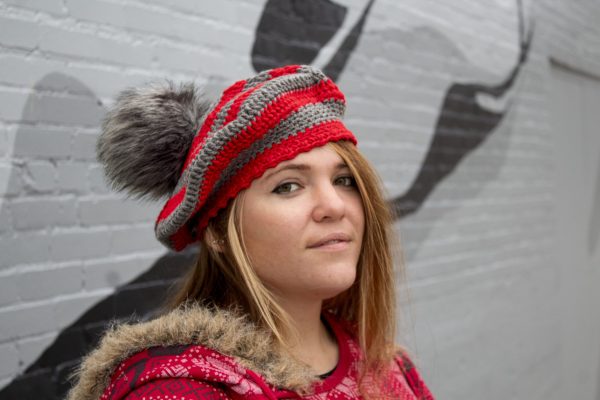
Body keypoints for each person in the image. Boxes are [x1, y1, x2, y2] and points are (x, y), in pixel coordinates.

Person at [66, 65, 434, 400]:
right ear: (217, 233)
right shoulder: (181, 390)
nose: (335, 205)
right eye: (288, 186)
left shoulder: (387, 365)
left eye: (344, 180)